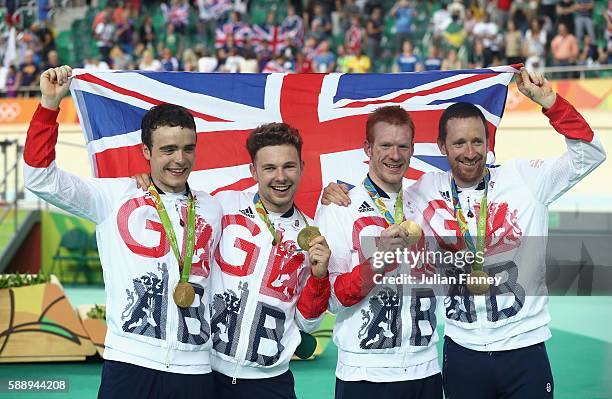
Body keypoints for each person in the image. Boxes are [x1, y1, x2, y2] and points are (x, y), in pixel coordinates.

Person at [321, 68, 606, 398]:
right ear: (442, 146)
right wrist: (339, 190)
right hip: (461, 351)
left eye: (477, 141)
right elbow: (381, 186)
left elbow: (590, 154)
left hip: (524, 346)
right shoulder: (423, 192)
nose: (469, 152)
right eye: (459, 143)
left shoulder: (525, 179)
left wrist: (550, 103)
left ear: (489, 144)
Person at [24, 66, 224, 398]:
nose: (180, 159)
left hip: (195, 368)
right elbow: (40, 179)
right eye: (168, 150)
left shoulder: (214, 207)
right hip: (129, 363)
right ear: (146, 152)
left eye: (188, 148)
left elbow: (274, 197)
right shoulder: (114, 196)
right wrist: (48, 107)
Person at [135, 122, 332, 398]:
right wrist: (146, 181)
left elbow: (309, 324)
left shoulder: (312, 236)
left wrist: (319, 278)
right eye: (269, 168)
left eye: (289, 166)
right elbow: (173, 198)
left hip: (270, 381)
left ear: (302, 167)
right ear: (253, 170)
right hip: (205, 372)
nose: (280, 177)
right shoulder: (221, 205)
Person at [316, 106, 442, 399]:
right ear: (367, 149)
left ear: (412, 149)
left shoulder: (426, 200)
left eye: (402, 146)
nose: (394, 155)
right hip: (365, 374)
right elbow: (333, 299)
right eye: (385, 145)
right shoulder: (339, 206)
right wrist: (380, 259)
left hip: (426, 370)